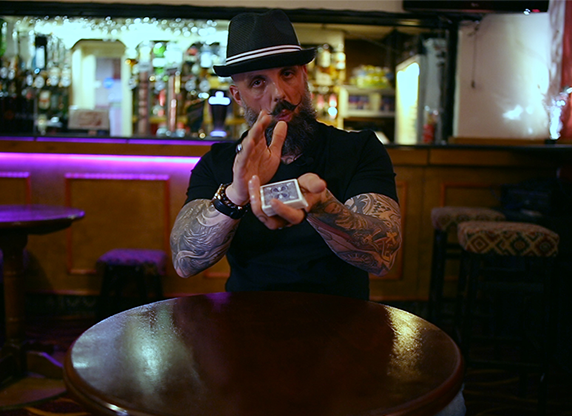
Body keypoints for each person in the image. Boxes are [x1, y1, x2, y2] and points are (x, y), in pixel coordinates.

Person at [169, 9, 402, 301]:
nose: (279, 93)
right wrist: (236, 194)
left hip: (341, 315)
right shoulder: (219, 162)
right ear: (237, 95)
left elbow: (382, 257)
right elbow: (185, 262)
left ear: (304, 76)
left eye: (287, 74)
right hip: (246, 315)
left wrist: (323, 206)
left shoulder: (358, 149)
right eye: (258, 81)